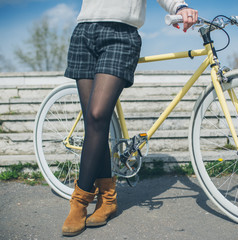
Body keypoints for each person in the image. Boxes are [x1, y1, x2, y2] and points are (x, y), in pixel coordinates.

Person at [61, 0, 198, 237]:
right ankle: (108, 199)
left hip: (120, 35)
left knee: (97, 114)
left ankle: (79, 202)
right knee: (95, 123)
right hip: (83, 32)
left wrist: (179, 6)